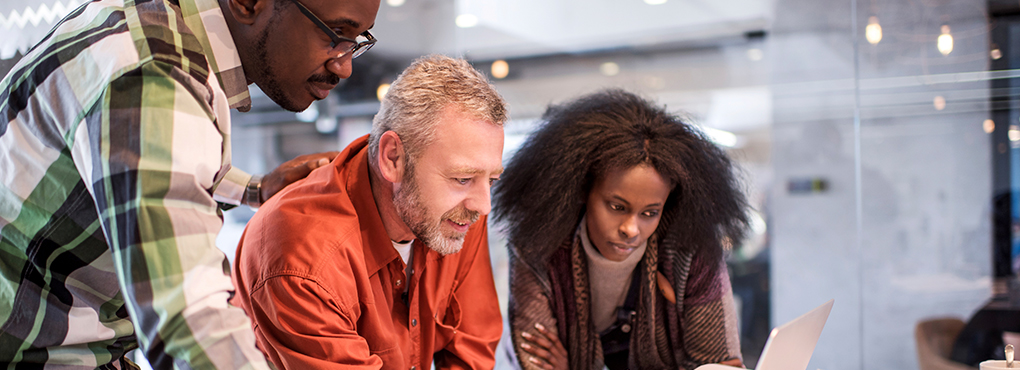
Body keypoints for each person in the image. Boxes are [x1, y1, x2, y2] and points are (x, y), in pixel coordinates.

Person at [0, 0, 380, 366]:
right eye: (335, 33)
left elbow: (143, 158)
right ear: (248, 2)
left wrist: (256, 189)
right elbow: (188, 321)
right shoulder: (157, 73)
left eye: (357, 41)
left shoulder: (154, 28)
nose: (344, 66)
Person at [231, 55, 507, 369]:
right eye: (462, 179)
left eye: (492, 179)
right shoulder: (304, 261)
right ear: (393, 159)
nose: (483, 205)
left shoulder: (456, 213)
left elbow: (471, 352)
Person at [493, 89, 750, 370]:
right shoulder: (537, 245)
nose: (631, 229)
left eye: (650, 213)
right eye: (617, 207)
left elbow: (722, 363)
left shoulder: (692, 249)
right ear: (582, 189)